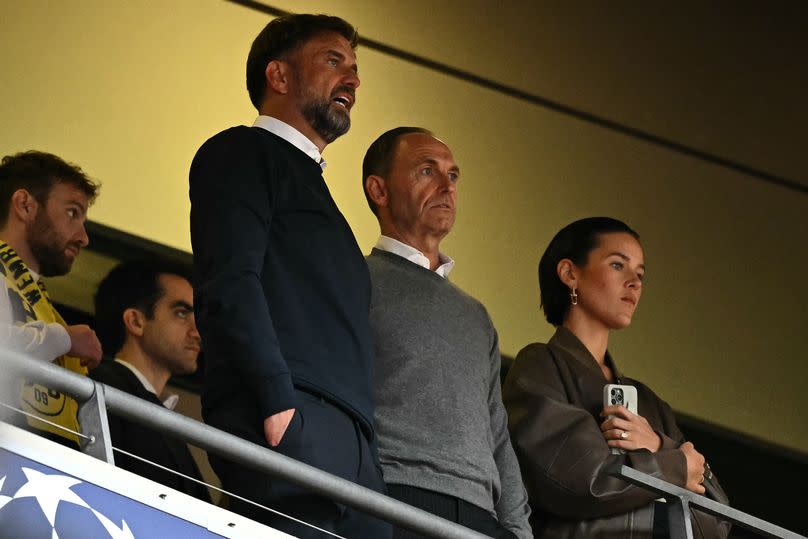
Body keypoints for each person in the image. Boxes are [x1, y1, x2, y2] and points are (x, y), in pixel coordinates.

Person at [189, 14, 389, 537]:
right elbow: (230, 282)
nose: (352, 78)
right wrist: (278, 401)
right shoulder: (240, 152)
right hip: (289, 415)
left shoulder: (319, 194)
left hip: (353, 444)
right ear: (278, 77)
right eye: (332, 60)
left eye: (354, 67)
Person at [502, 217, 731, 537]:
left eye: (640, 274)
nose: (634, 283)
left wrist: (655, 443)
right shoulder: (542, 366)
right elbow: (583, 482)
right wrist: (673, 466)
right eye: (617, 265)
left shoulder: (650, 403)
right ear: (570, 273)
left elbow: (716, 522)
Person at [362, 127, 532, 538]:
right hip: (393, 496)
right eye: (426, 171)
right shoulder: (356, 280)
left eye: (453, 176)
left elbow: (496, 432)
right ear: (379, 190)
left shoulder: (476, 316)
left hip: (480, 516)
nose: (446, 187)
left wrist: (518, 531)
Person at [0, 150, 102, 449]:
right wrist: (66, 339)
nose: (84, 237)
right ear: (25, 205)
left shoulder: (39, 302)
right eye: (72, 212)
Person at [91, 261, 211, 502]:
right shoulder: (102, 388)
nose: (197, 331)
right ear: (136, 321)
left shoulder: (160, 414)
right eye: (181, 313)